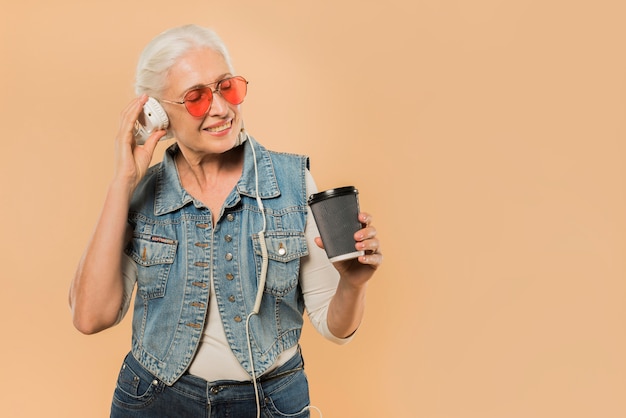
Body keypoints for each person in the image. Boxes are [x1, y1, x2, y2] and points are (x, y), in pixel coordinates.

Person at [69, 24, 382, 418]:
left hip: (268, 403)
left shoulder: (291, 183)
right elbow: (89, 317)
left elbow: (334, 328)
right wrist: (123, 181)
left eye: (226, 87)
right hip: (154, 401)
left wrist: (353, 285)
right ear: (159, 114)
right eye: (196, 97)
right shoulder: (142, 193)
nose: (220, 108)